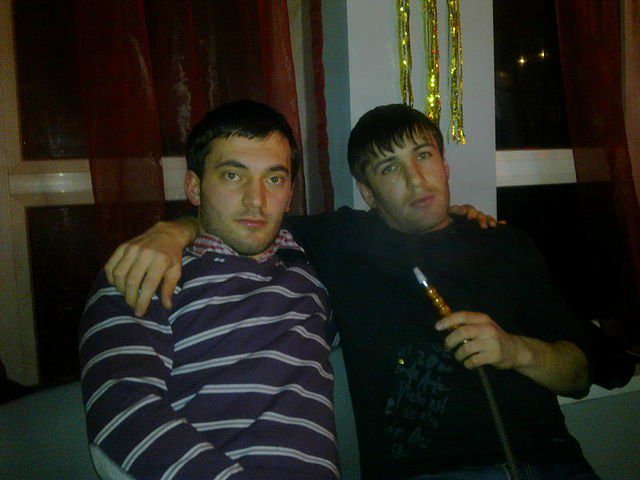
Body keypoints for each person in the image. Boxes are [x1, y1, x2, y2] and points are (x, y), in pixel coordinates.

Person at [105, 104, 598, 479]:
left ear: (445, 164)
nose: (415, 180)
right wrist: (171, 231)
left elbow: (581, 373)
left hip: (553, 462)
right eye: (389, 168)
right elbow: (244, 222)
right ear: (367, 193)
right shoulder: (341, 243)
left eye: (424, 156)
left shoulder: (507, 245)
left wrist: (516, 351)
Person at [79, 100, 339, 479]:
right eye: (233, 176)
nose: (256, 200)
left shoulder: (311, 270)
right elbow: (122, 415)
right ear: (194, 186)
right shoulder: (145, 272)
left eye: (274, 179)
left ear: (290, 192)